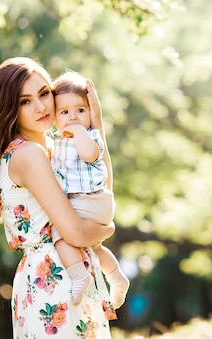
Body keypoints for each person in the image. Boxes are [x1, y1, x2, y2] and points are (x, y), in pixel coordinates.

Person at [0, 57, 116, 339]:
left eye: (44, 94)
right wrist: (106, 229)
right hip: (54, 279)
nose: (41, 107)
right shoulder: (28, 155)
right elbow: (75, 232)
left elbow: (101, 191)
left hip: (65, 273)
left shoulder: (51, 149)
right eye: (25, 101)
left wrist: (96, 127)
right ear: (9, 108)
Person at [50, 71, 130, 309]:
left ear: (91, 112)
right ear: (54, 118)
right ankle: (117, 278)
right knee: (95, 246)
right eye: (64, 112)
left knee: (59, 233)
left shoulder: (89, 136)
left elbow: (90, 154)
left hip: (91, 199)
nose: (73, 117)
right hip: (91, 202)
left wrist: (80, 131)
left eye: (80, 110)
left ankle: (79, 275)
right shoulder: (60, 142)